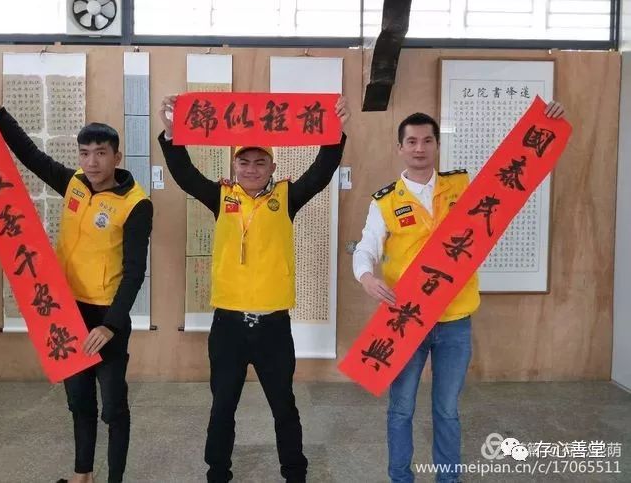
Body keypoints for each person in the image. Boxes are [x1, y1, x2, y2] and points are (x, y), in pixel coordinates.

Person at [352, 102, 566, 483]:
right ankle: (400, 477)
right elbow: (366, 247)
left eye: (427, 141)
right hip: (406, 320)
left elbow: (510, 174)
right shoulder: (385, 201)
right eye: (412, 141)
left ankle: (448, 479)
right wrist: (366, 276)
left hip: (455, 321)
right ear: (400, 148)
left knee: (447, 409)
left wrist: (544, 127)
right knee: (400, 409)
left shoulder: (462, 186)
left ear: (437, 145)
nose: (420, 148)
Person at [158, 94, 349, 482]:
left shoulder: (287, 197)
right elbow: (185, 174)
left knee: (284, 406)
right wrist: (171, 133)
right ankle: (217, 473)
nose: (251, 169)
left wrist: (336, 130)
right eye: (244, 162)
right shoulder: (220, 196)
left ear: (272, 167)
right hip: (228, 325)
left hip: (273, 325)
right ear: (234, 165)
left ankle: (294, 473)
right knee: (222, 407)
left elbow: (321, 172)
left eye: (260, 162)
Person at [0, 82, 153, 483]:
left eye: (100, 153)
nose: (91, 162)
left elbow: (135, 271)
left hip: (106, 317)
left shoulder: (135, 204)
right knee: (78, 400)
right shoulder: (73, 184)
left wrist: (111, 325)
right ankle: (82, 475)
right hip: (66, 311)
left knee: (114, 406)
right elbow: (29, 154)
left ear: (116, 156)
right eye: (84, 153)